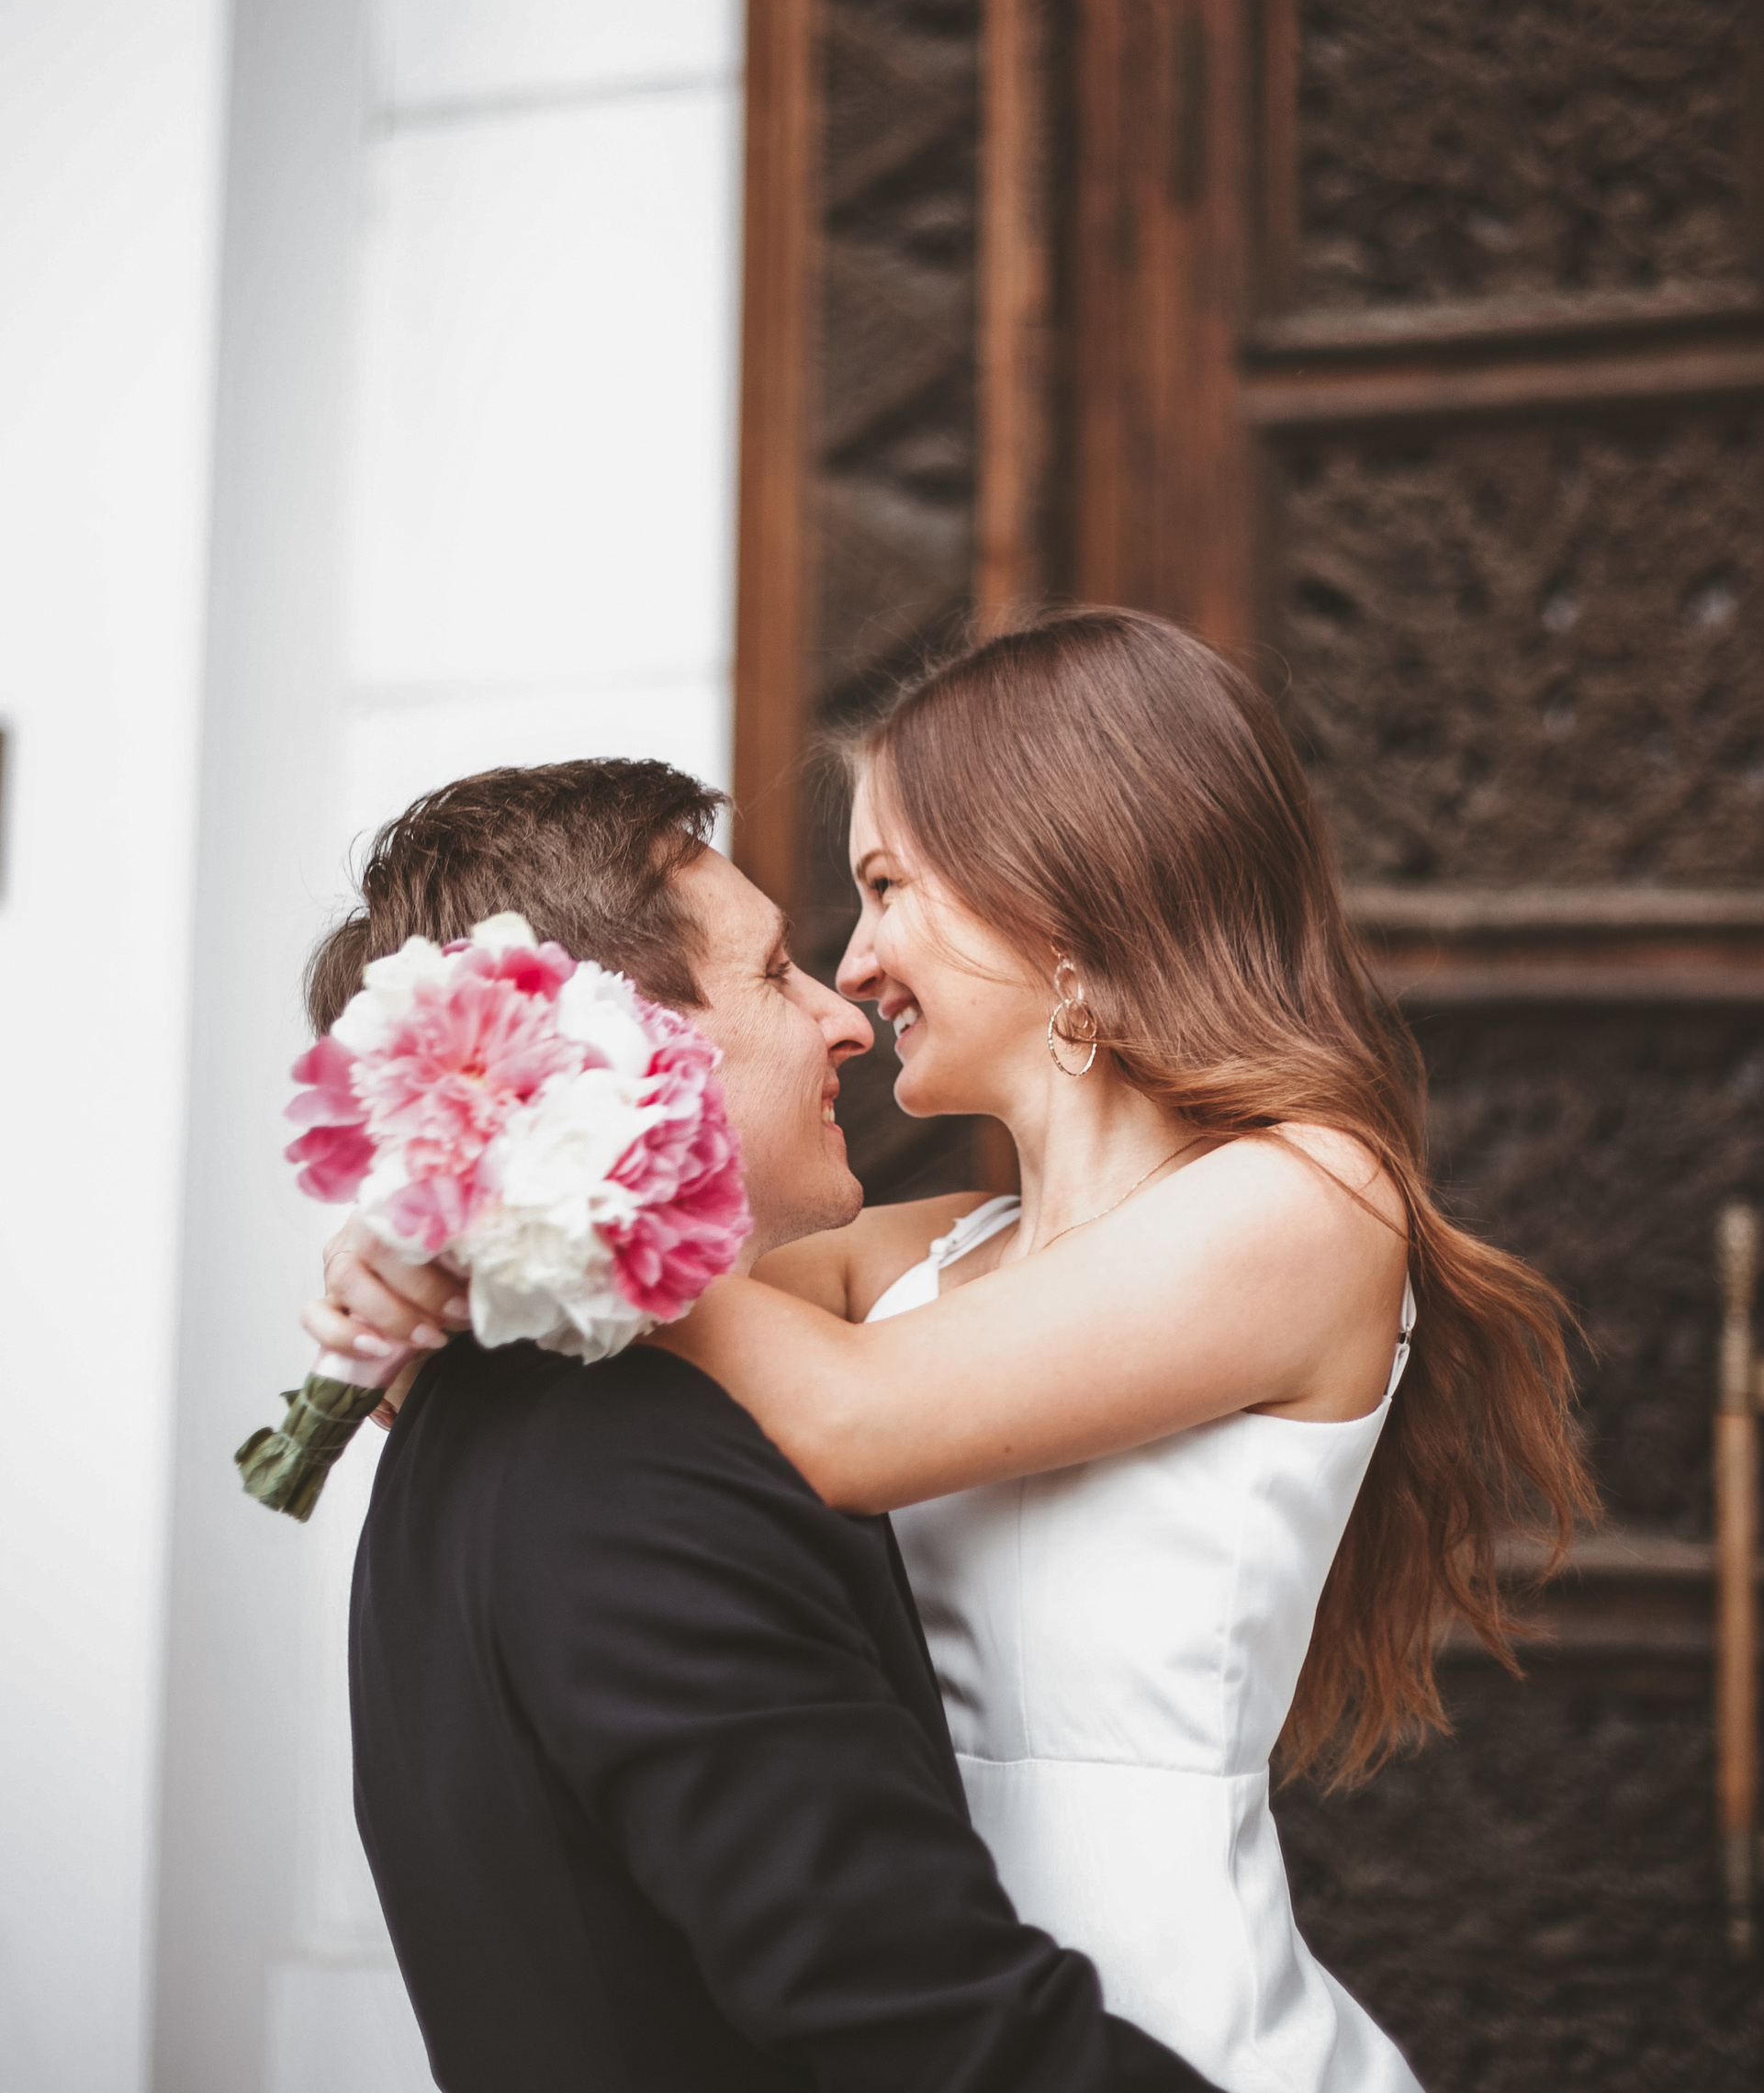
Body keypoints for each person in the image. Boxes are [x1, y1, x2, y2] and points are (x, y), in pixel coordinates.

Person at [318, 612, 1593, 2093]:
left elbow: (837, 1417)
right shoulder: (918, 1255)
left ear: (1060, 902)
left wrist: (541, 1175)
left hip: (1158, 2037)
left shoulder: (1308, 1198)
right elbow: (601, 1394)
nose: (856, 966)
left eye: (882, 888)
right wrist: (430, 1245)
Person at [308, 757, 1210, 2093]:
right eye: (778, 973)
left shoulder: (489, 1396)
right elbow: (920, 2021)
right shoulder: (628, 1468)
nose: (843, 1013)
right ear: (622, 1053)